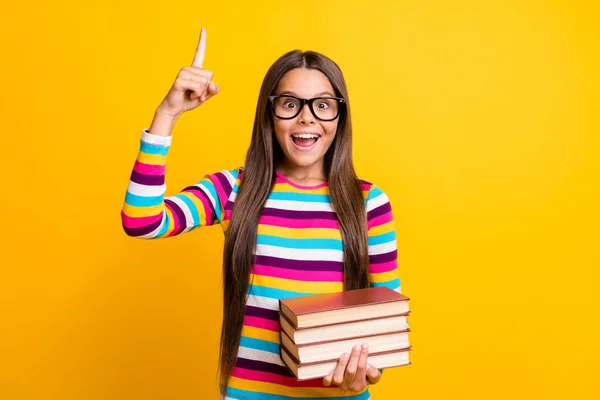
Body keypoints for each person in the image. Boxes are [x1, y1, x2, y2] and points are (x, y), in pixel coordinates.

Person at [121, 27, 404, 399]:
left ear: (340, 116)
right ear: (269, 114)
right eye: (290, 103)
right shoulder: (236, 191)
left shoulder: (368, 202)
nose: (306, 117)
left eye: (322, 104)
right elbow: (141, 221)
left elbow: (384, 317)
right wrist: (167, 113)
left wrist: (366, 374)